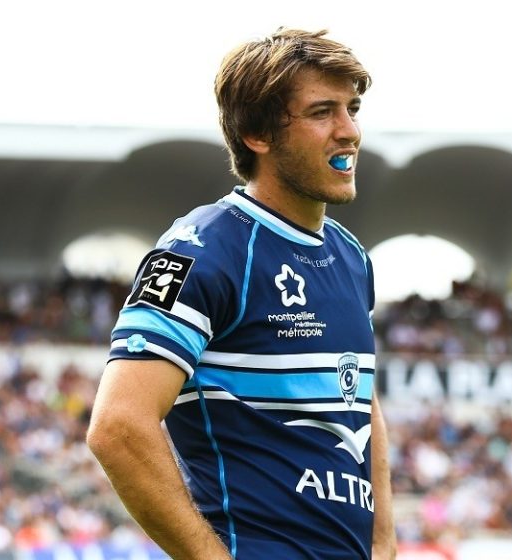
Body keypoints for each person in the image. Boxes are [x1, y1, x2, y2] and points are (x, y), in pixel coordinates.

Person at [86, 28, 396, 560]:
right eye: (323, 112)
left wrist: (384, 544)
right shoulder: (204, 248)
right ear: (258, 134)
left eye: (353, 108)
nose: (350, 132)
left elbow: (359, 400)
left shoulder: (351, 257)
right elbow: (118, 426)